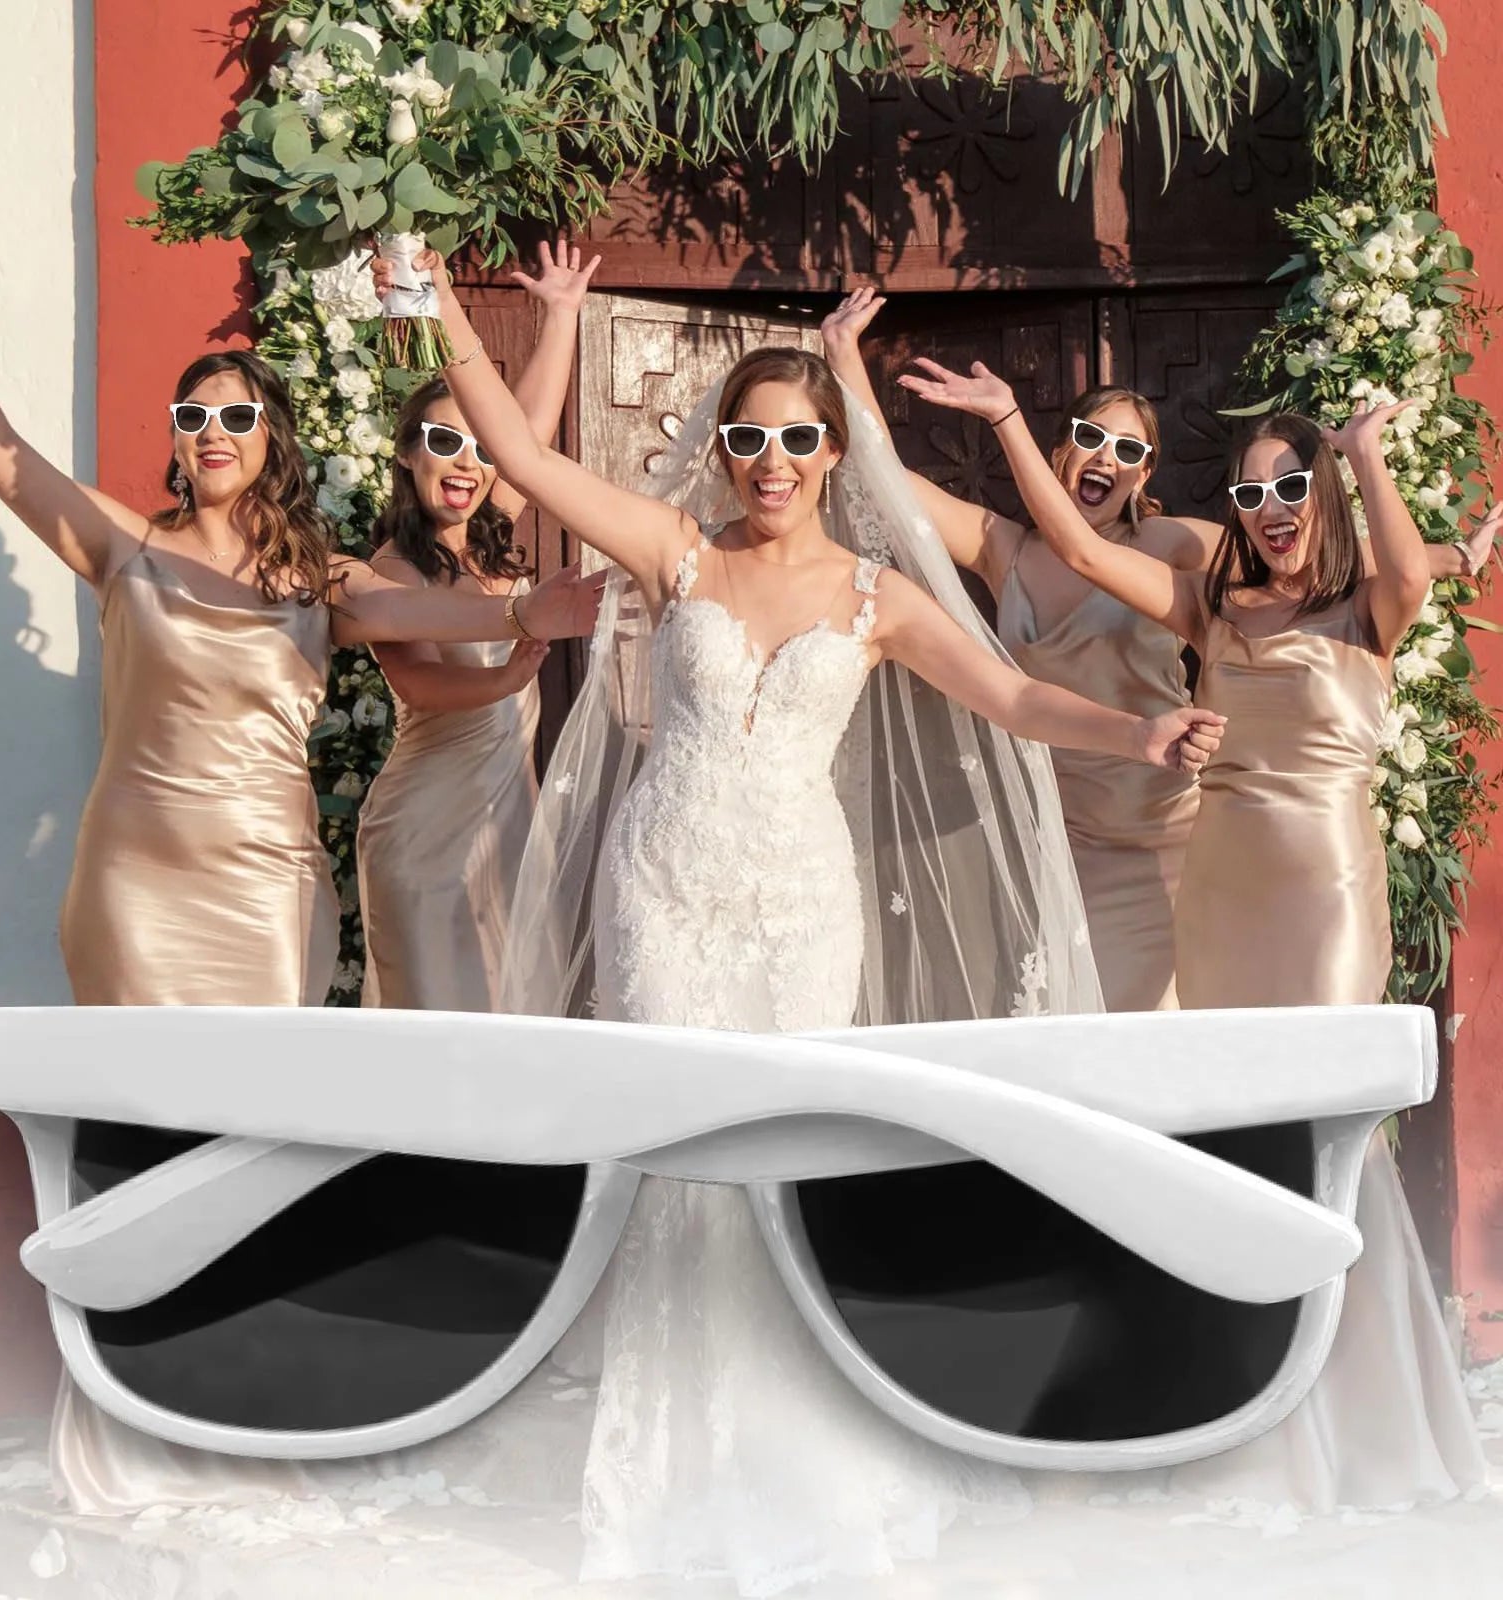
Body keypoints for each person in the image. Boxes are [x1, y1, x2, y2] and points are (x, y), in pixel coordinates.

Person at [404, 249, 1226, 1592]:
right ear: (721, 452)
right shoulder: (675, 553)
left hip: (798, 899)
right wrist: (434, 289)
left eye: (797, 437)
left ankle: (807, 1454)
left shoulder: (876, 596)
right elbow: (516, 448)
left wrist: (1141, 734)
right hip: (663, 883)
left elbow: (1013, 702)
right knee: (676, 1156)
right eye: (749, 437)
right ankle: (671, 1465)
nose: (772, 459)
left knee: (789, 1160)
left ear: (833, 452)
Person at [0, 272, 602, 1507]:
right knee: (136, 1140)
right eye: (194, 418)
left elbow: (415, 604)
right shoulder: (121, 547)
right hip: (136, 882)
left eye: (234, 416)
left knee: (256, 1145)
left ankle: (246, 1400)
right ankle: (128, 1409)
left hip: (272, 886)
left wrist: (518, 607)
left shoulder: (322, 578)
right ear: (179, 443)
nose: (212, 433)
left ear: (269, 439)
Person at [903, 351, 1486, 1513]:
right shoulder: (1212, 602)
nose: (1267, 512)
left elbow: (1413, 561)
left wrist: (1364, 457)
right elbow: (1073, 550)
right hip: (1214, 889)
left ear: (1318, 498)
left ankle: (1346, 1402)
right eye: (1248, 494)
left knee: (1320, 1126)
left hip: (1323, 895)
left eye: (1288, 489)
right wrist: (1015, 420)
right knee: (1225, 1124)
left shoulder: (1372, 602)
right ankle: (1228, 1392)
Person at [822, 287, 1500, 1012]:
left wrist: (1451, 554)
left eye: (1130, 450)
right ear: (1059, 450)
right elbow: (896, 486)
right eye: (1091, 437)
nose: (1107, 459)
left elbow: (1329, 547)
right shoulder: (1004, 550)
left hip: (1175, 834)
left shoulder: (1177, 548)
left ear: (1145, 475)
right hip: (1071, 835)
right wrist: (842, 361)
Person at [357, 241, 599, 1010]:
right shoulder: (394, 567)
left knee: (517, 1022)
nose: (465, 462)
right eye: (442, 442)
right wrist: (507, 675)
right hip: (428, 826)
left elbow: (523, 438)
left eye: (475, 447)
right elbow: (420, 682)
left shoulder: (493, 524)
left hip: (512, 827)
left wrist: (560, 315)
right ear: (406, 454)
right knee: (439, 1027)